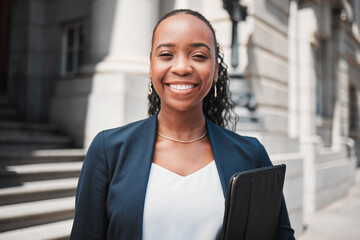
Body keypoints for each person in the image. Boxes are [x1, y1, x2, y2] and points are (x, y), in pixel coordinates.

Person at [70, 9, 295, 240]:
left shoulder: (251, 155)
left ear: (215, 70)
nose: (181, 68)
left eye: (198, 56)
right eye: (166, 54)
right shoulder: (108, 150)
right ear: (150, 67)